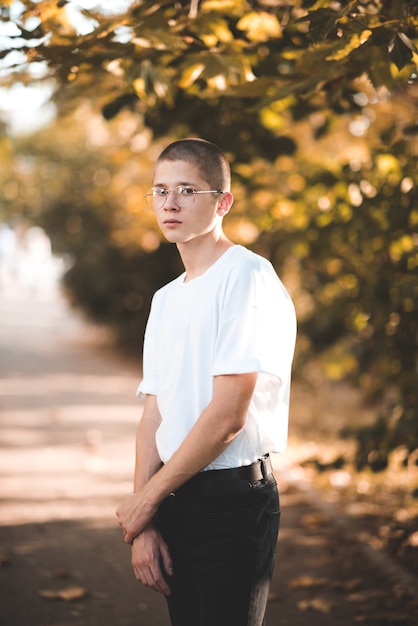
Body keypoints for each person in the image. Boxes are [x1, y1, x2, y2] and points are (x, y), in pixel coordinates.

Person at [116, 138, 297, 626]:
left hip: (231, 505)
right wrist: (146, 522)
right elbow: (154, 411)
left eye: (186, 190)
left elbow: (227, 418)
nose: (169, 203)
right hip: (173, 499)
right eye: (159, 190)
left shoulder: (247, 277)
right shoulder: (166, 299)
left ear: (223, 202)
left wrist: (143, 501)